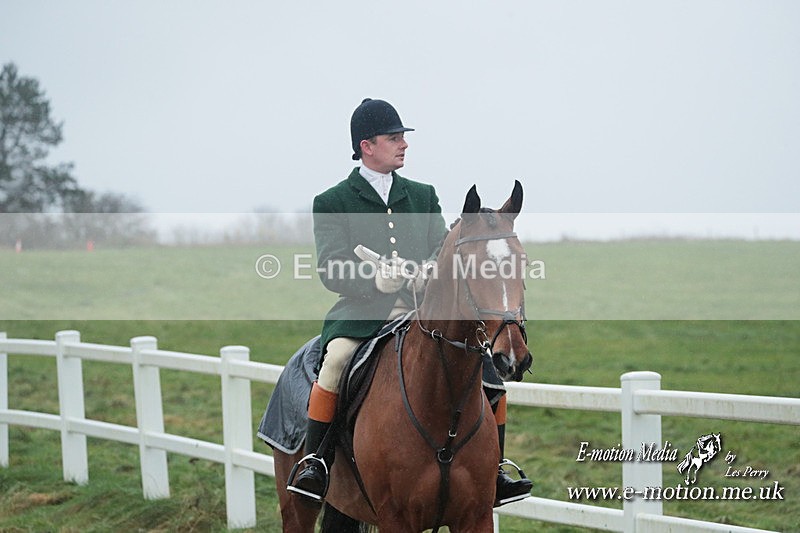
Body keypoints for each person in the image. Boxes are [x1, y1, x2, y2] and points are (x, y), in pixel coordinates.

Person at [287, 98, 532, 507]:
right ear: (367, 146)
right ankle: (317, 462)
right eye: (394, 137)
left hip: (421, 312)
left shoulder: (422, 195)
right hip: (361, 315)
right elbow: (331, 269)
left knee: (487, 371)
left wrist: (427, 273)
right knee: (335, 362)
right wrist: (374, 278)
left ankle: (497, 470)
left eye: (403, 137)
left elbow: (442, 253)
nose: (403, 144)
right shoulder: (332, 200)